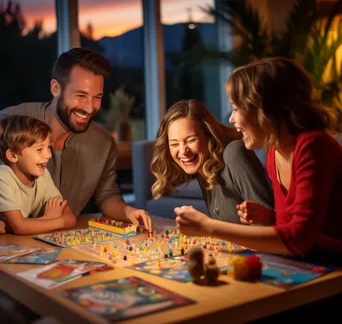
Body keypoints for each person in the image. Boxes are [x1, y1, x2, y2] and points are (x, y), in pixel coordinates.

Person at [175, 57, 342, 260]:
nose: (231, 119)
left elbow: (299, 238)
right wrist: (269, 218)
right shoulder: (275, 151)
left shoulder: (313, 146)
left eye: (237, 108)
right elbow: (292, 227)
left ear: (264, 110)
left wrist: (208, 227)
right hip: (308, 262)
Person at [0, 48, 151, 231]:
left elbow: (106, 195)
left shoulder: (103, 143)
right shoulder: (9, 124)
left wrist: (127, 211)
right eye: (81, 96)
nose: (89, 108)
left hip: (63, 241)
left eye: (97, 97)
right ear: (55, 88)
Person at [151, 99, 274, 224]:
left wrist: (207, 225)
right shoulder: (202, 165)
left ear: (209, 135)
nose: (183, 151)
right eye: (174, 144)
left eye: (191, 140)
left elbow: (267, 223)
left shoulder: (234, 153)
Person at [0, 115, 76, 234]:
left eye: (48, 147)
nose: (48, 155)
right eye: (39, 149)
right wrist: (47, 219)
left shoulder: (42, 174)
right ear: (13, 155)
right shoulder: (3, 177)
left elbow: (70, 217)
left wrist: (17, 225)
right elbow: (20, 227)